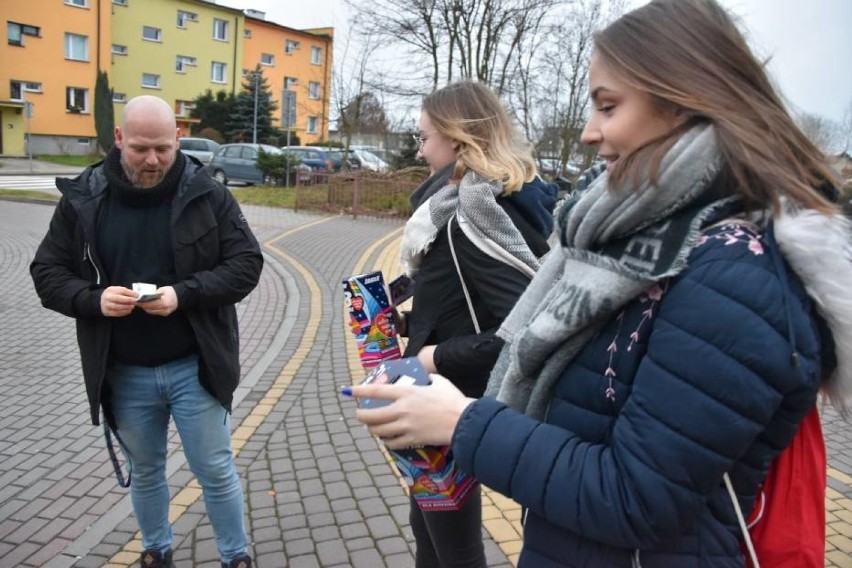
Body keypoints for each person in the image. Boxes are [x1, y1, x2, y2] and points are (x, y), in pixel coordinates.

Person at [346, 1, 851, 566]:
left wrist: (462, 421)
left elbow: (636, 499)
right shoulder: (635, 249)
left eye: (608, 106)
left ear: (688, 101)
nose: (588, 133)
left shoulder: (732, 275)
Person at [30, 96, 262, 568]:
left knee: (214, 470)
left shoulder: (206, 192)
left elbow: (246, 265)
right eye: (140, 149)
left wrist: (184, 294)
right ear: (118, 140)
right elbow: (46, 273)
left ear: (178, 139)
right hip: (125, 371)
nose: (153, 160)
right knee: (147, 471)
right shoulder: (84, 197)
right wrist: (93, 300)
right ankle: (156, 553)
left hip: (195, 366)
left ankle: (235, 557)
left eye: (162, 148)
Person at [390, 80, 557, 567]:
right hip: (441, 402)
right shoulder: (467, 209)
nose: (419, 151)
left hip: (454, 405)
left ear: (458, 141)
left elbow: (520, 332)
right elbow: (462, 309)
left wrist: (431, 356)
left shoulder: (473, 219)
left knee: (453, 548)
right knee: (429, 532)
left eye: (424, 138)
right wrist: (401, 324)